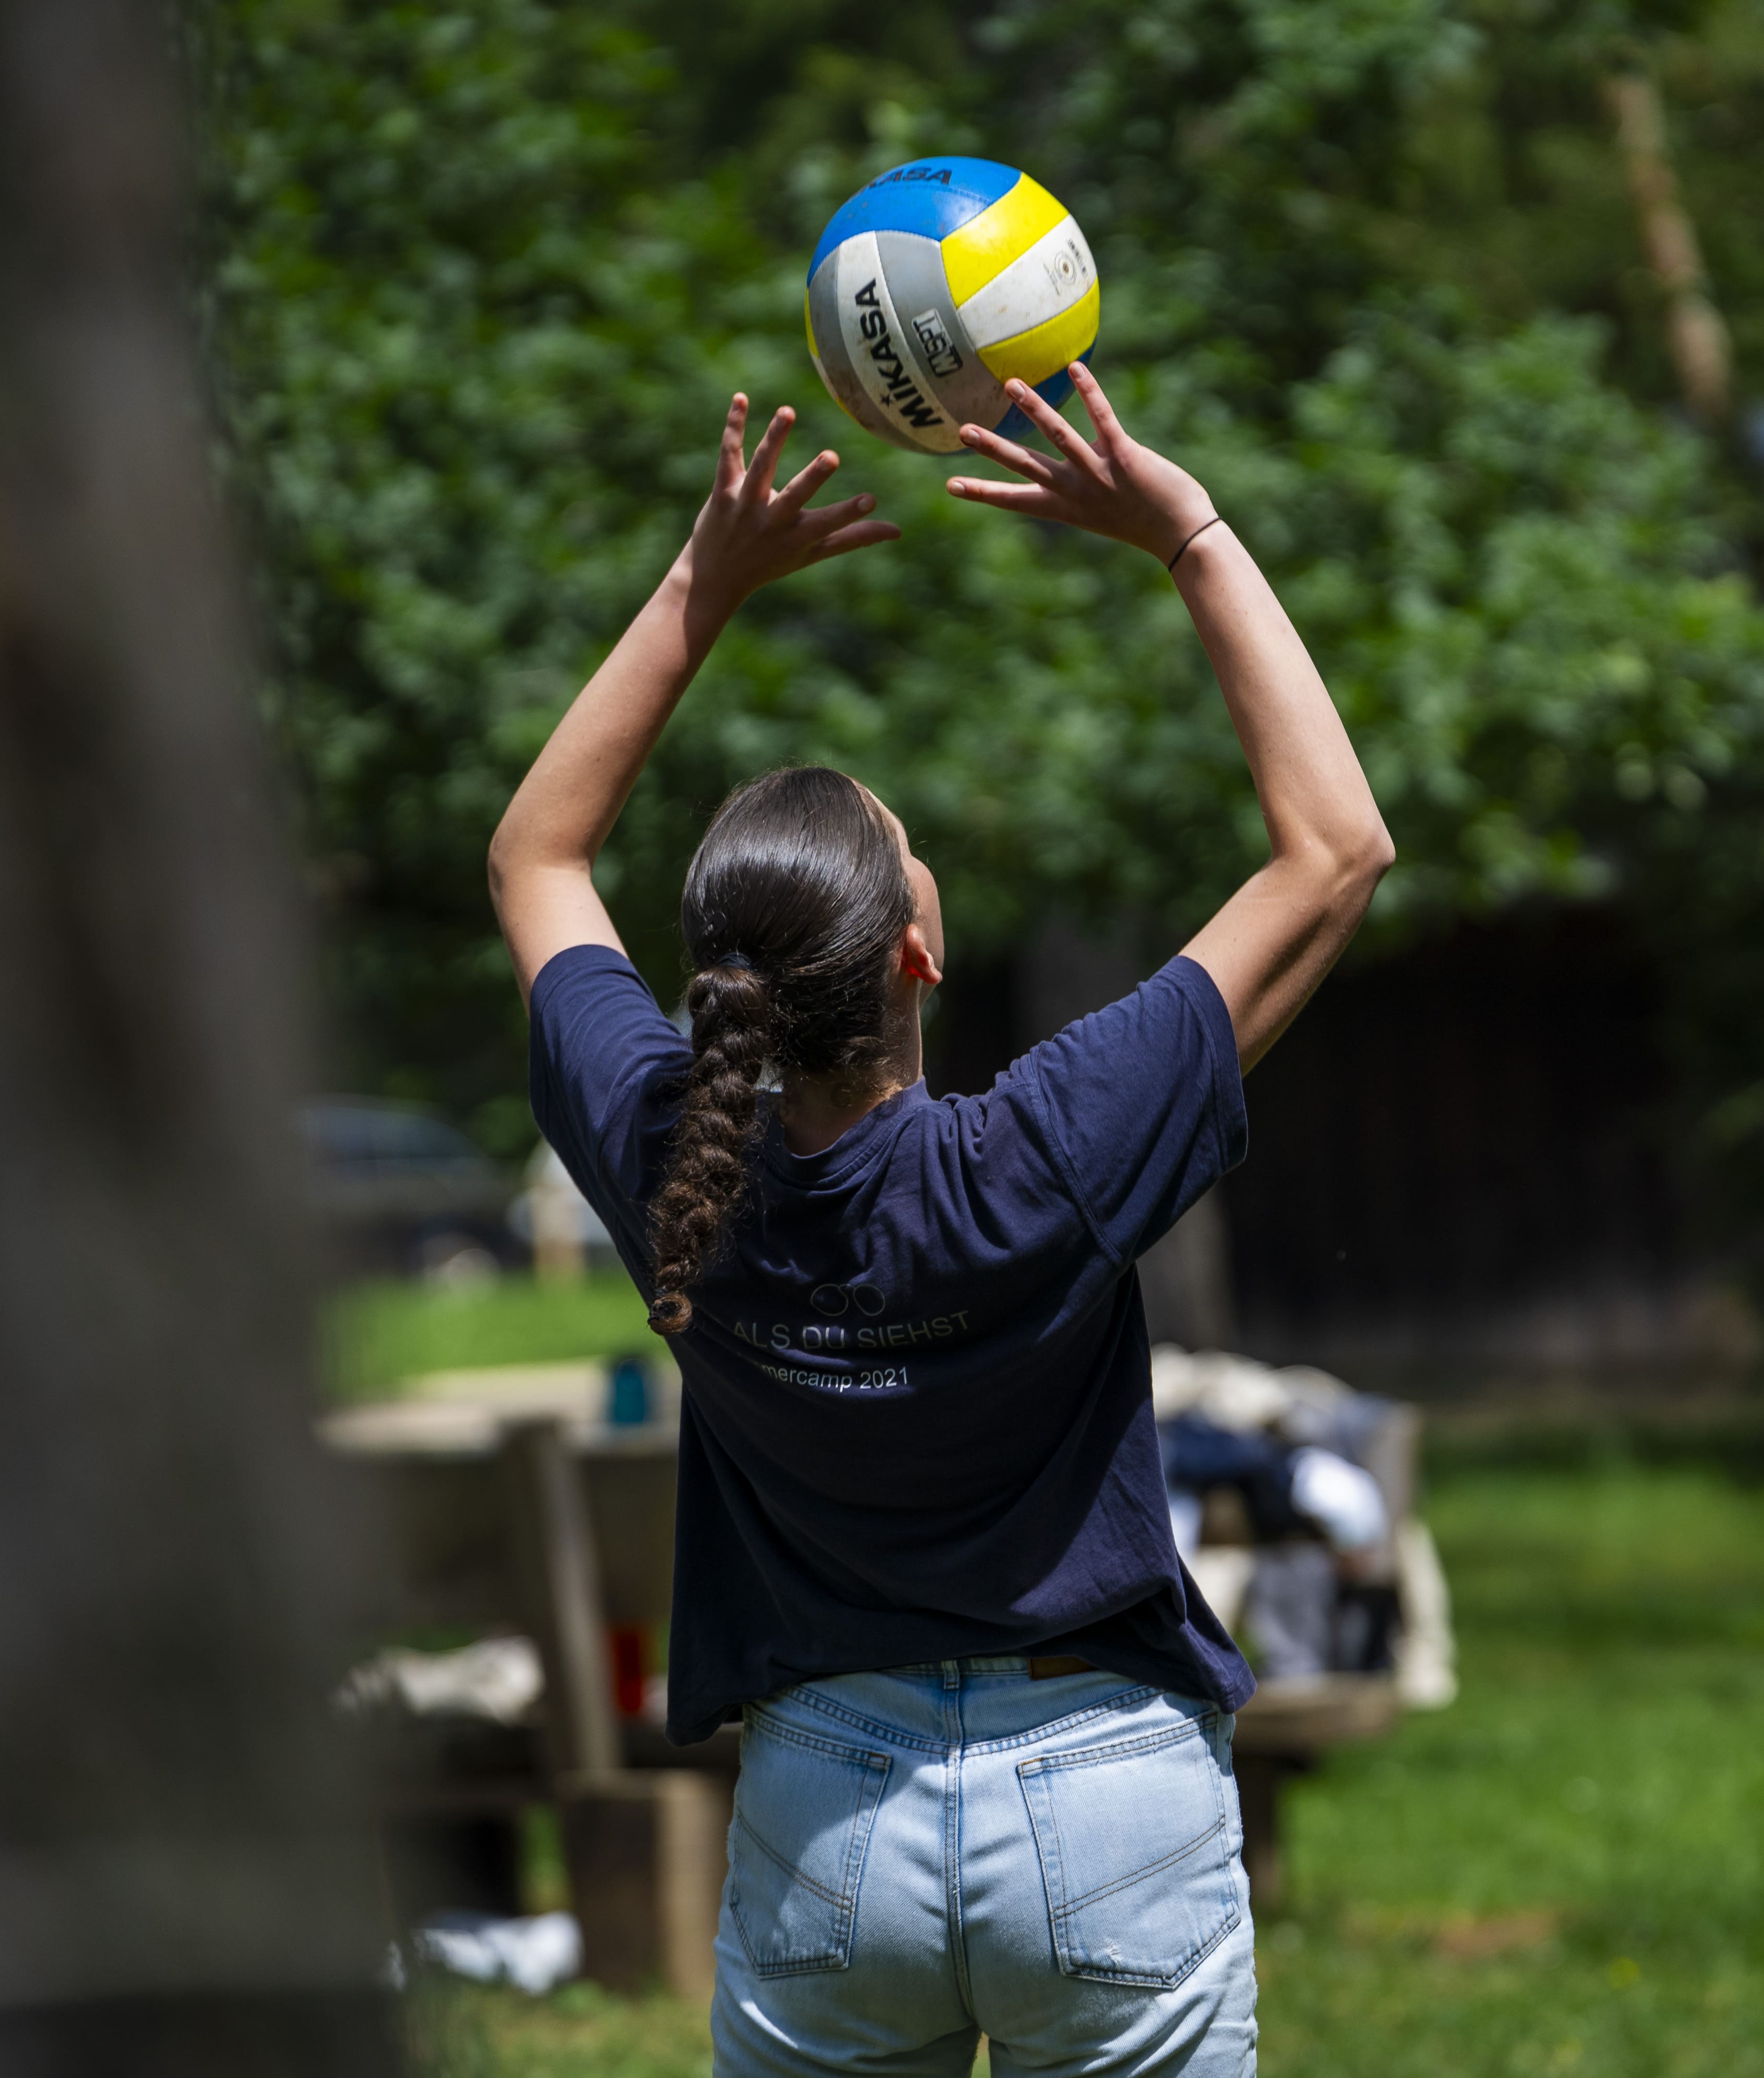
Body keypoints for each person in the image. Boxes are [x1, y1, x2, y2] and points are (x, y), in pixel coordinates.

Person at [487, 365, 1391, 2077]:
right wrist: (1190, 534)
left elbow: (538, 859)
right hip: (1109, 1791)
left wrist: (702, 586)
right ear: (918, 952)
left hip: (830, 1816)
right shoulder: (1049, 1150)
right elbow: (1335, 847)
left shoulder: (670, 1161)